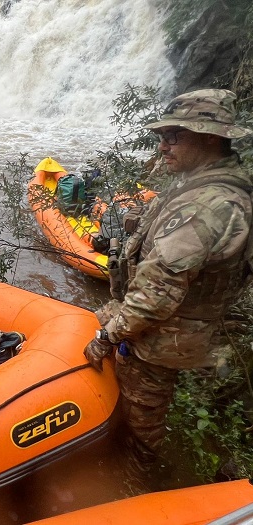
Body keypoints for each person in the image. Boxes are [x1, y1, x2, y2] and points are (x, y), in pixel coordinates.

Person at [82, 88, 253, 490]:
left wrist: (107, 336)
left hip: (161, 338)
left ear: (211, 138)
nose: (163, 144)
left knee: (139, 425)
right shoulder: (205, 186)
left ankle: (135, 491)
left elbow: (157, 294)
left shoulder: (209, 205)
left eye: (175, 135)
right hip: (163, 326)